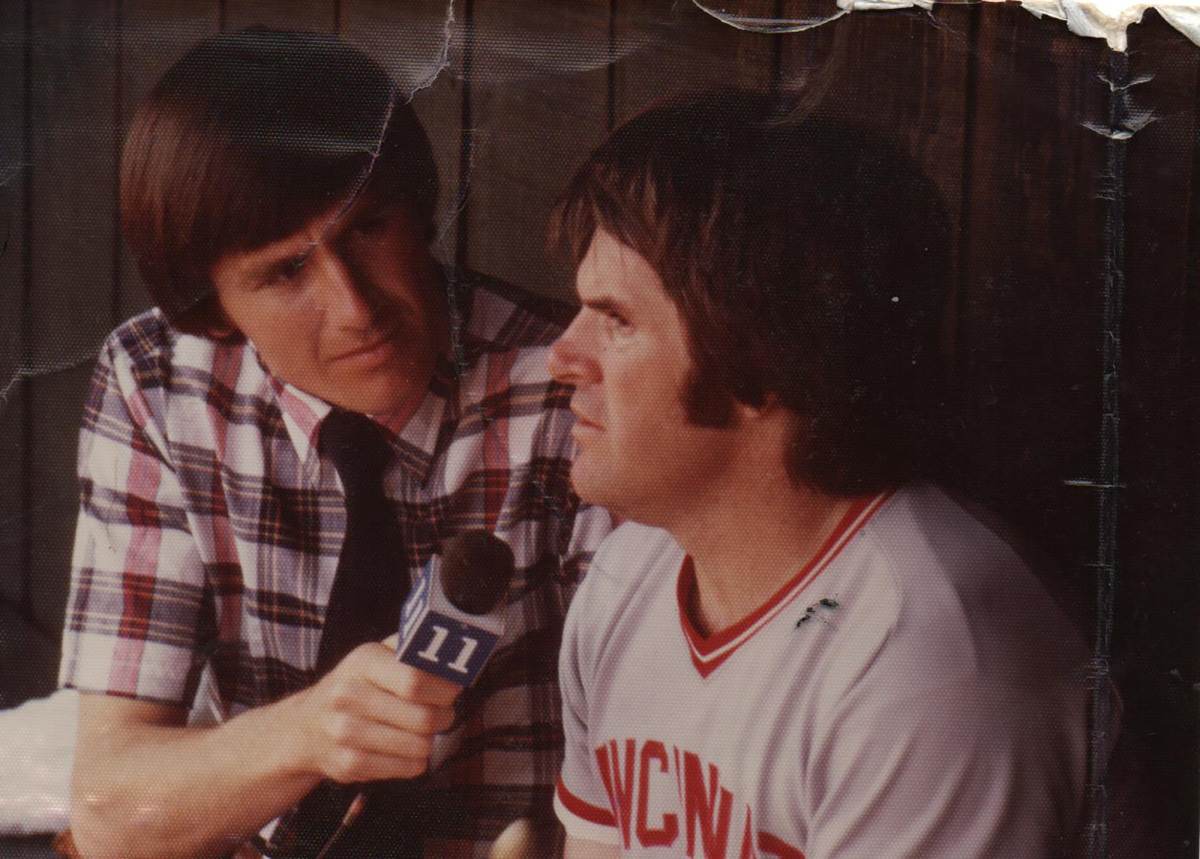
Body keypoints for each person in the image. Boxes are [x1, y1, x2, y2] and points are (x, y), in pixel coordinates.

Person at [58, 29, 611, 859]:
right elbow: (109, 809)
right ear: (212, 311)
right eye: (284, 273)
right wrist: (312, 733)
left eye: (368, 228)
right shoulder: (157, 379)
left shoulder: (569, 384)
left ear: (416, 208)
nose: (356, 308)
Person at [547, 91, 1094, 858]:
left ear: (760, 363)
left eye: (616, 321)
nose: (561, 358)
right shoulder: (628, 574)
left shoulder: (932, 662)